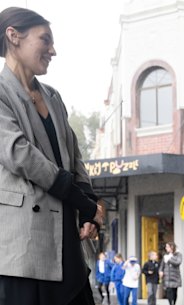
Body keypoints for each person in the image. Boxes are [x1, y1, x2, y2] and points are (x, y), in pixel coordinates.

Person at [0, 7, 104, 305]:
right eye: (45, 40)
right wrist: (78, 199)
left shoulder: (53, 96)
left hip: (66, 241)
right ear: (13, 36)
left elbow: (74, 154)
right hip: (22, 247)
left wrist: (87, 206)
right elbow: (19, 154)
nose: (53, 50)